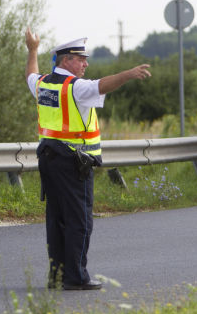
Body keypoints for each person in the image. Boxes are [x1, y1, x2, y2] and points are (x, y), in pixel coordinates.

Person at [25, 28, 151, 290]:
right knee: (80, 220)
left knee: (56, 220)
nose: (86, 64)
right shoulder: (75, 87)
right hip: (72, 162)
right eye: (81, 59)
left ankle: (57, 276)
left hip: (48, 159)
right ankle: (75, 277)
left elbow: (30, 74)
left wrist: (33, 49)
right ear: (65, 61)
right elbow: (101, 85)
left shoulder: (43, 83)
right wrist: (129, 74)